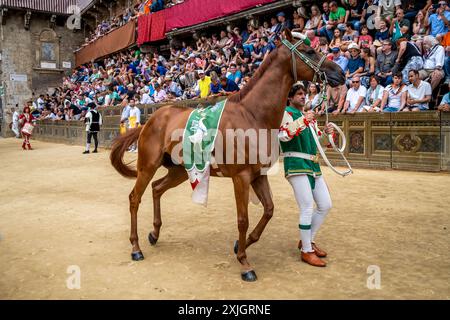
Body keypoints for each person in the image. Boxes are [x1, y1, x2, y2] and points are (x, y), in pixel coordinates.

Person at [278, 82, 334, 267]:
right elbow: (283, 135)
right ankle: (306, 250)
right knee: (307, 207)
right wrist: (304, 120)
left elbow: (320, 142)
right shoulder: (285, 113)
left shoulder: (306, 116)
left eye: (304, 94)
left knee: (325, 204)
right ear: (290, 97)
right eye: (299, 94)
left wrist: (327, 134)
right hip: (295, 164)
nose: (303, 96)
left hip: (313, 165)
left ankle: (308, 240)